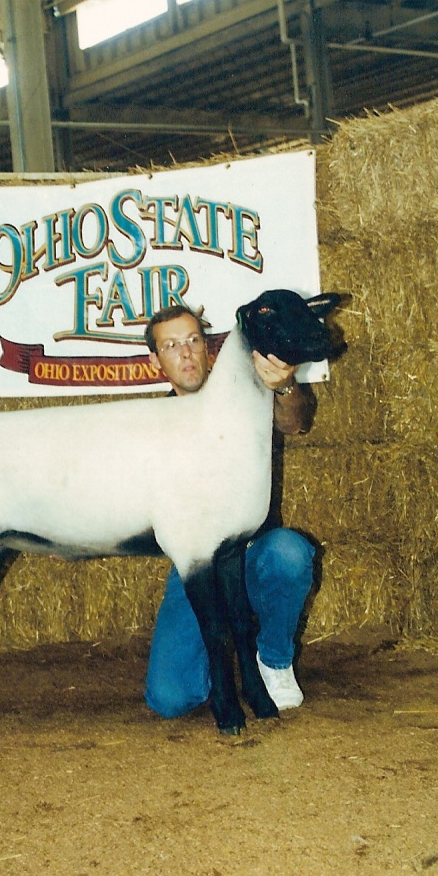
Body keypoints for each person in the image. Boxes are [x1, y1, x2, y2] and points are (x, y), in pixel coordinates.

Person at [143, 302, 317, 718]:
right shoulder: (152, 426)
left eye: (193, 340)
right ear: (155, 361)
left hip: (253, 551)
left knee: (290, 553)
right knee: (169, 698)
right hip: (197, 567)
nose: (186, 353)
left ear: (208, 349)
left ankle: (273, 660)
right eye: (171, 346)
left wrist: (285, 386)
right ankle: (218, 662)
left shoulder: (247, 393)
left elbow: (295, 421)